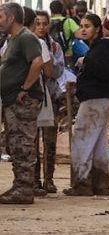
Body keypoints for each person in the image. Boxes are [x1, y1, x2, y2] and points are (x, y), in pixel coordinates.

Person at [0, 2, 46, 204]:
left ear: (11, 18)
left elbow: (38, 62)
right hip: (12, 100)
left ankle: (25, 188)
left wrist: (25, 88)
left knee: (23, 144)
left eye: (1, 17)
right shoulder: (13, 39)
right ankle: (20, 185)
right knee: (15, 144)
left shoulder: (26, 38)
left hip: (23, 101)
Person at [72, 13, 109, 197]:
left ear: (97, 29)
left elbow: (104, 71)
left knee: (83, 138)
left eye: (88, 26)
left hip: (95, 100)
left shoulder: (101, 49)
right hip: (100, 99)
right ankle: (100, 184)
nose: (83, 29)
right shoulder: (97, 48)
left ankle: (82, 183)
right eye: (81, 26)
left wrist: (86, 61)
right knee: (98, 142)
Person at [30, 11, 65, 195]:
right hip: (32, 98)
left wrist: (48, 58)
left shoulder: (55, 46)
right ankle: (35, 179)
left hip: (51, 96)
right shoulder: (28, 44)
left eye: (44, 24)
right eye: (38, 23)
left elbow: (57, 71)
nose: (41, 27)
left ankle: (49, 179)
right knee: (32, 140)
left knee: (50, 141)